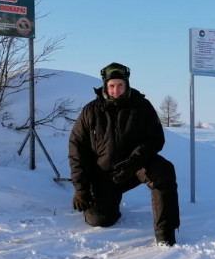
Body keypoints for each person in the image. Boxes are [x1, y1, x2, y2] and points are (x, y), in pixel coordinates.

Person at [68, 62, 180, 246]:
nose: (116, 90)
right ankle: (110, 203)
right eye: (112, 86)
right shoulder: (91, 111)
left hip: (135, 168)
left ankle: (165, 237)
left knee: (163, 171)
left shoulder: (141, 106)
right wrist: (81, 188)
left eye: (120, 85)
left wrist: (133, 162)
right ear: (105, 86)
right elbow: (76, 149)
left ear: (127, 84)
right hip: (103, 174)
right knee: (100, 219)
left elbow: (155, 139)